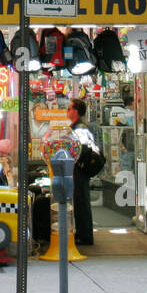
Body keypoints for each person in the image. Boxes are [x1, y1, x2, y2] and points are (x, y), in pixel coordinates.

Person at [68, 98, 99, 247]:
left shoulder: (80, 127)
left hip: (80, 168)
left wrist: (74, 159)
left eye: (69, 109)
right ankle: (82, 233)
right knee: (80, 201)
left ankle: (85, 236)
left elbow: (82, 148)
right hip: (80, 167)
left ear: (75, 111)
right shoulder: (79, 126)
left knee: (81, 201)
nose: (67, 112)